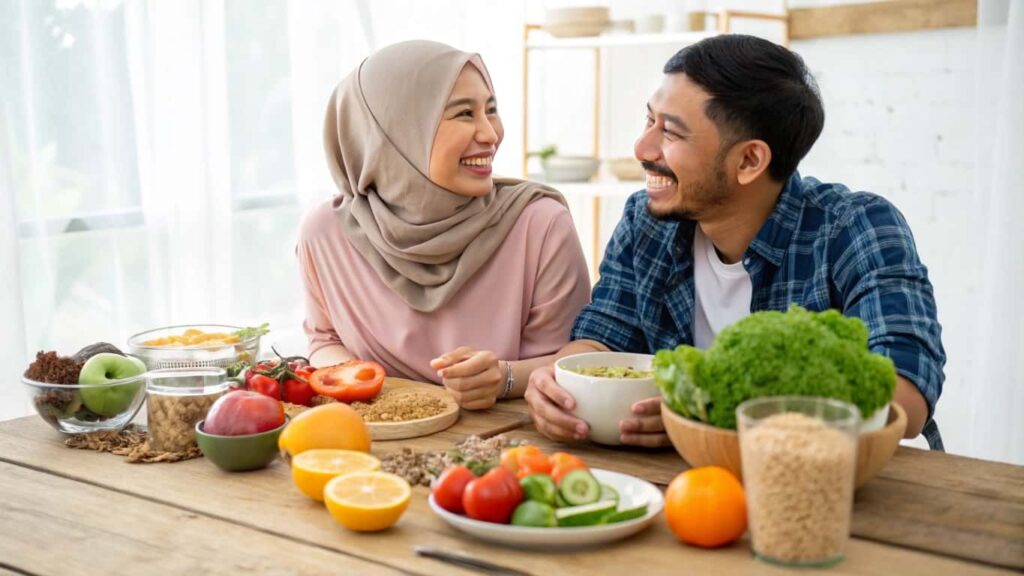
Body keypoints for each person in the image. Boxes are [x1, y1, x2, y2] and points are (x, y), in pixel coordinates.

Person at [526, 34, 946, 448]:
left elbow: (905, 398)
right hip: (693, 484)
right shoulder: (647, 222)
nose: (642, 147)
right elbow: (604, 337)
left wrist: (704, 407)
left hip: (845, 485)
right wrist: (560, 382)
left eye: (670, 133)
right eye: (649, 120)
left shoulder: (857, 227)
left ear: (748, 161)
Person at [298, 40, 590, 409]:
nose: (491, 133)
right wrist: (378, 393)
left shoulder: (541, 224)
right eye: (465, 114)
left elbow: (573, 363)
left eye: (491, 109)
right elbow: (323, 340)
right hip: (367, 440)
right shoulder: (326, 233)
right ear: (396, 131)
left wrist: (504, 378)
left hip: (506, 445)